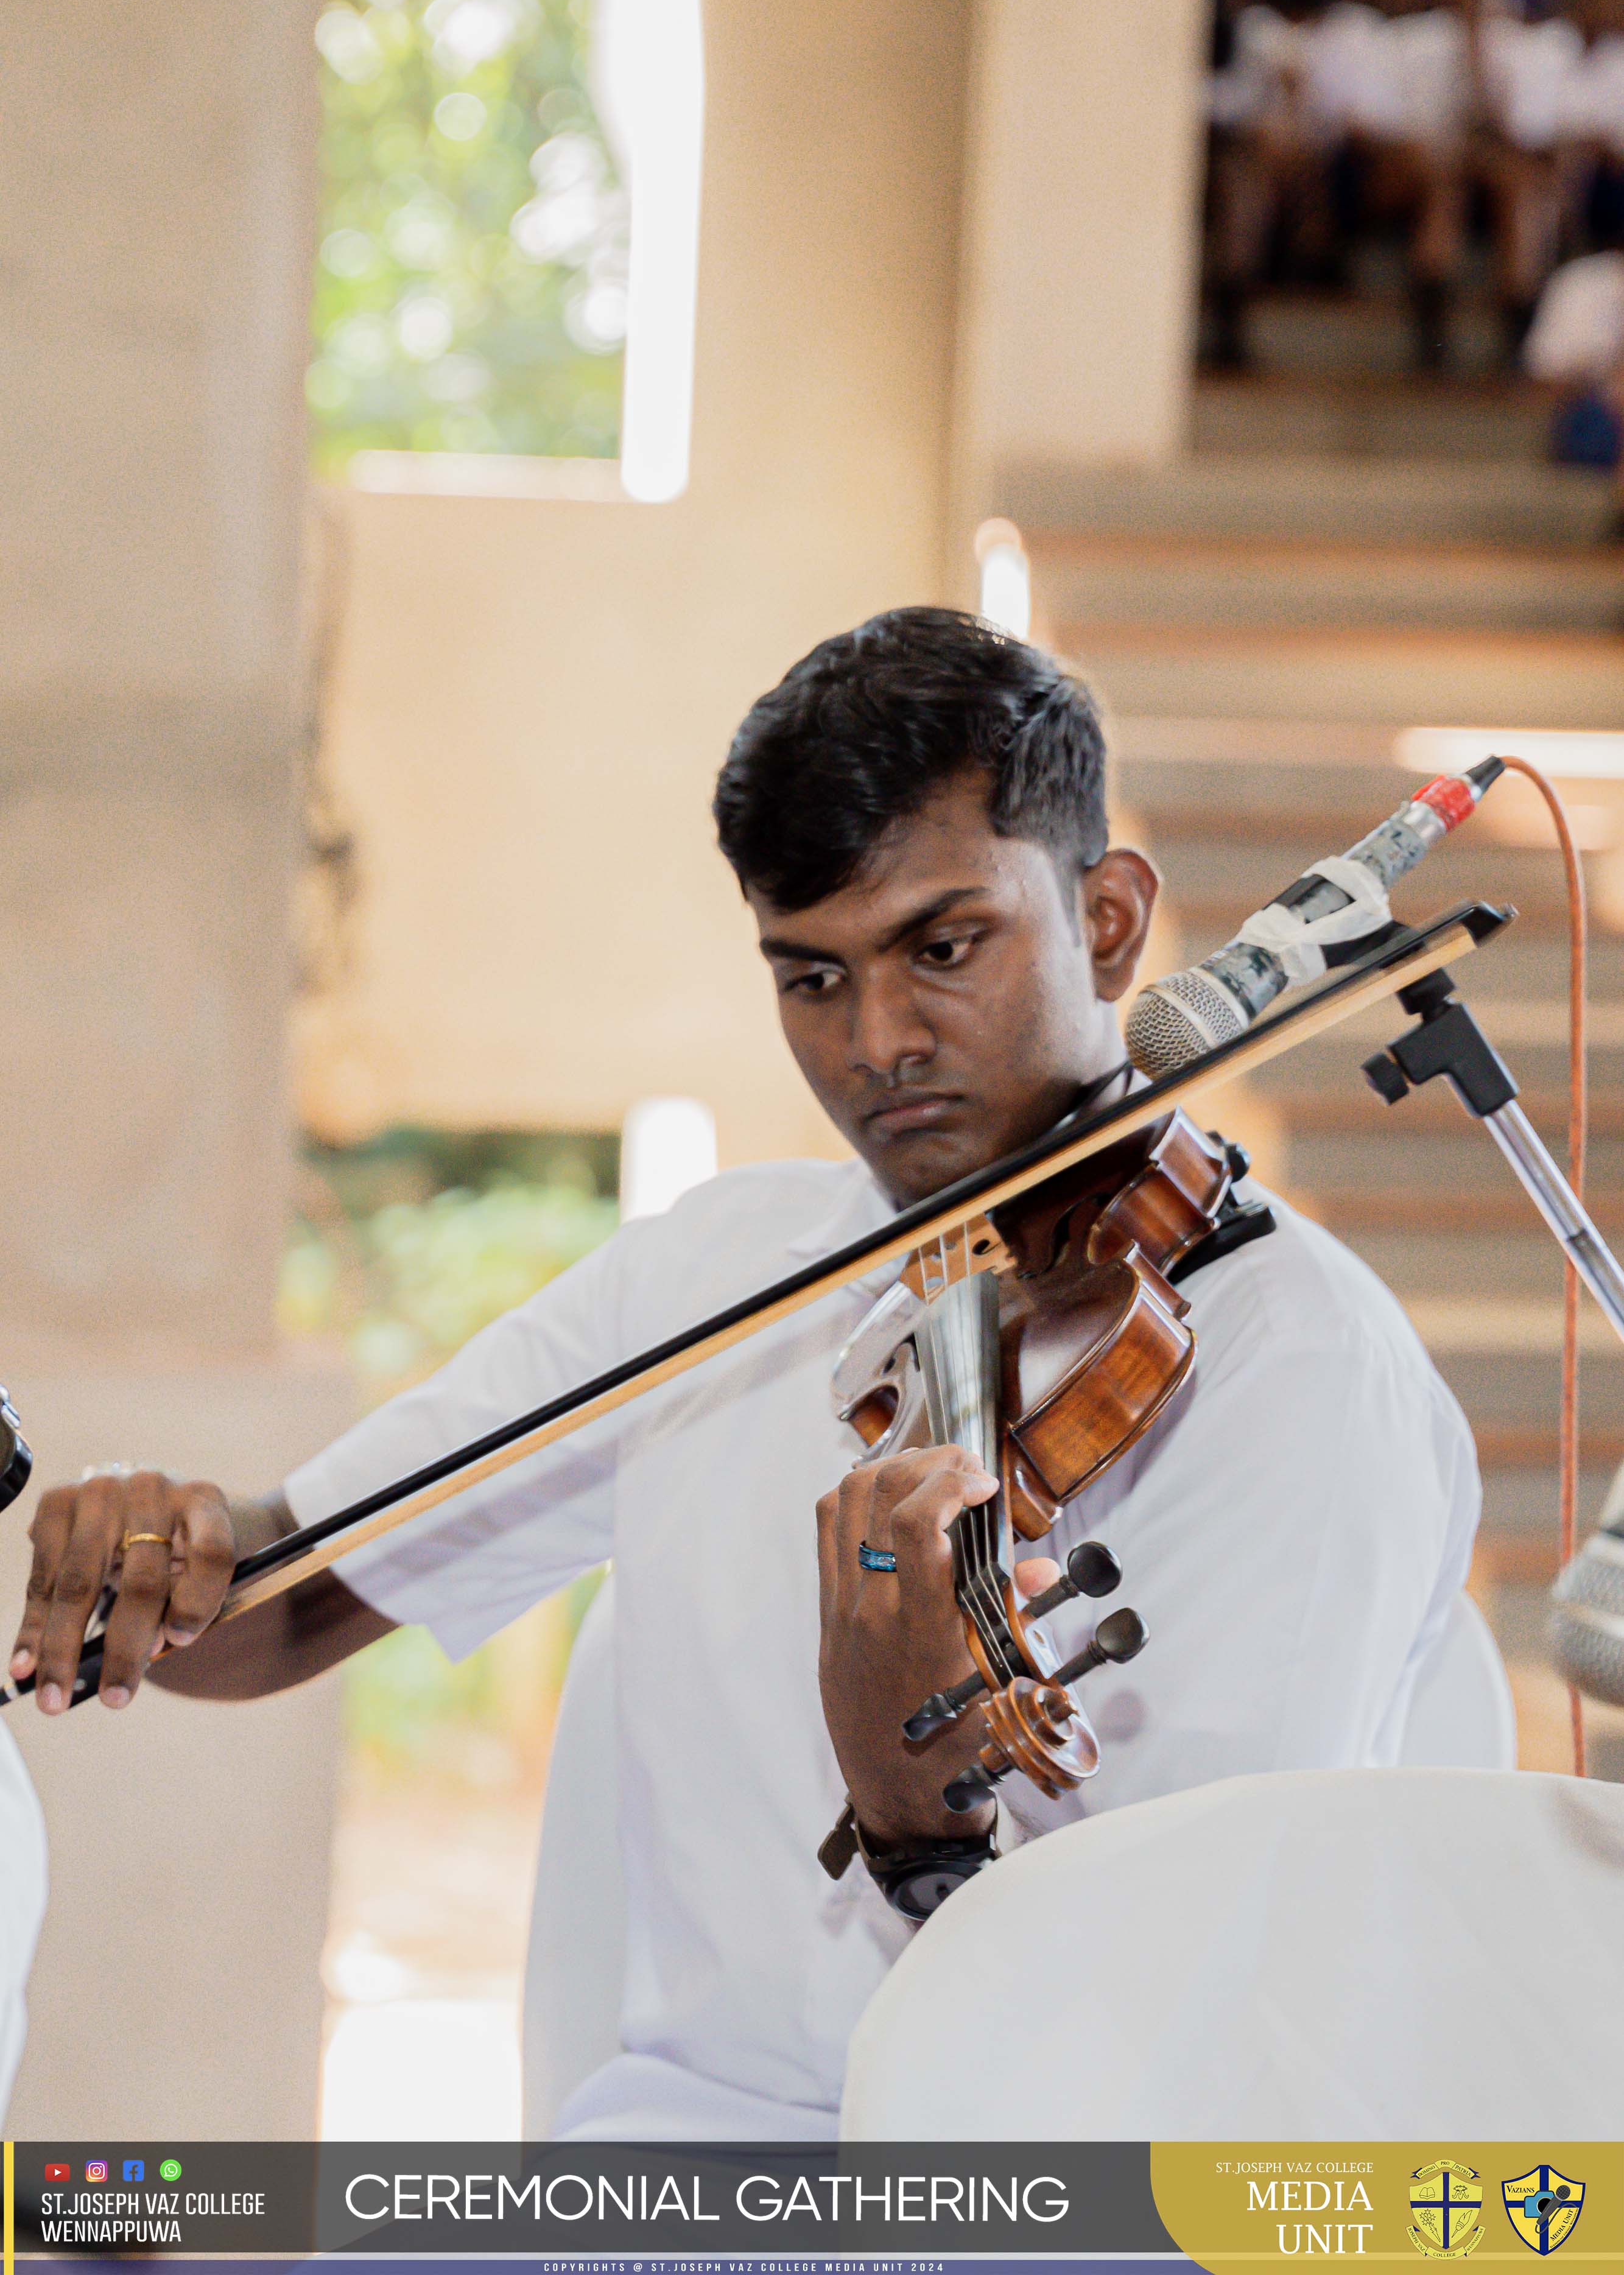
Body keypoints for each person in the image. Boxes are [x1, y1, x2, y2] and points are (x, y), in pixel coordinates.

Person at [12, 612, 1481, 2143]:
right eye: (810, 977)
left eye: (941, 946)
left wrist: (918, 1820)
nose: (878, 1043)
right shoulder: (722, 1270)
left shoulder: (1296, 1367)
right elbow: (286, 1607)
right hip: (680, 2154)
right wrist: (163, 1562)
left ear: (1107, 919)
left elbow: (1189, 1997)